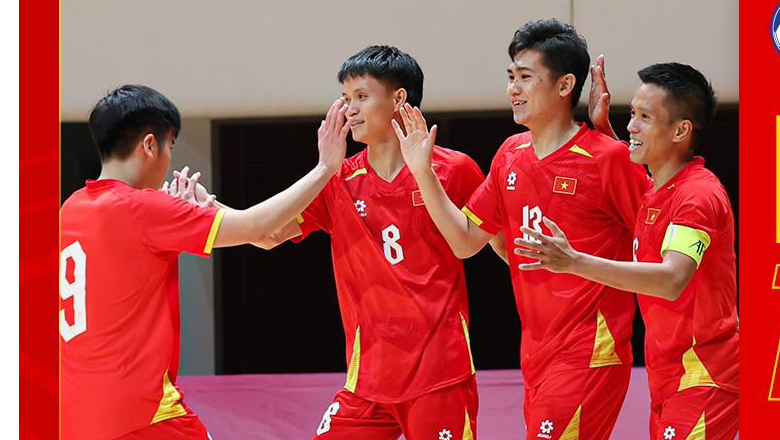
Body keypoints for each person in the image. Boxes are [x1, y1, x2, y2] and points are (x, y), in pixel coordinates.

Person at [393, 20, 649, 439]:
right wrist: (423, 172)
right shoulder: (509, 155)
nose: (514, 88)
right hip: (535, 351)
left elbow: (661, 234)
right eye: (511, 77)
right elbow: (463, 242)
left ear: (566, 84)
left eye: (527, 78)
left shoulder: (607, 158)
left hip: (591, 351)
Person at [59, 84, 349, 440]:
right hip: (142, 413)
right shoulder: (142, 209)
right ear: (150, 145)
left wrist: (174, 218)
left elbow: (129, 267)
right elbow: (259, 229)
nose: (167, 160)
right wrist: (325, 168)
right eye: (170, 146)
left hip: (75, 414)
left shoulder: (71, 208)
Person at [250, 45, 494, 440]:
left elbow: (491, 241)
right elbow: (267, 234)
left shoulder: (455, 169)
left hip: (438, 373)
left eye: (362, 97)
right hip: (367, 380)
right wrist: (209, 211)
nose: (350, 109)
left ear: (399, 98)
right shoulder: (337, 180)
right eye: (346, 99)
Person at [513, 61, 739, 440]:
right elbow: (643, 178)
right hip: (668, 374)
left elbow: (671, 279)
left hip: (706, 375)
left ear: (682, 129)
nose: (632, 126)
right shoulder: (657, 189)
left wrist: (574, 261)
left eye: (646, 117)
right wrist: (605, 128)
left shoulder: (698, 195)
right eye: (632, 114)